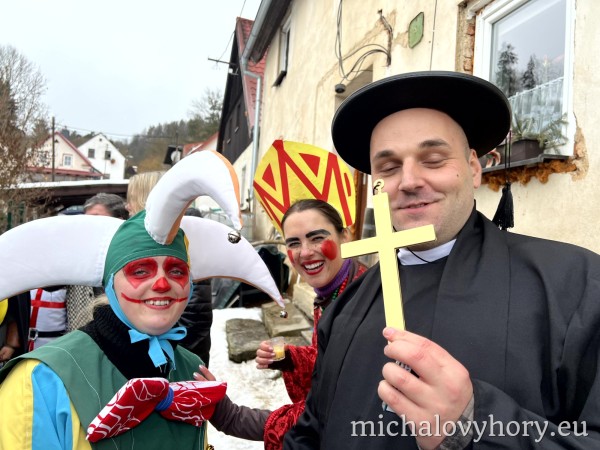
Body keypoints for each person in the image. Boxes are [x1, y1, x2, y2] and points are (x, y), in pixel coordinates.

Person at [284, 71, 600, 448]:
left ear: (473, 168)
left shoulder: (576, 287)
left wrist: (473, 424)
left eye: (433, 159)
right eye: (388, 167)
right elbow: (312, 430)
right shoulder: (347, 305)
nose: (409, 181)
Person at [0, 150, 286, 449]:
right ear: (110, 283)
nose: (162, 284)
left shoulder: (190, 369)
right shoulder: (41, 380)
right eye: (140, 270)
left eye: (176, 270)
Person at [254, 199, 367, 449]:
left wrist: (235, 418)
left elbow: (335, 403)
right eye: (294, 243)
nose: (305, 252)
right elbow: (326, 360)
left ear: (345, 237)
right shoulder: (330, 293)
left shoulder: (363, 302)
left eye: (317, 238)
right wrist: (286, 357)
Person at [126, 170, 213, 365]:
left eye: (130, 198)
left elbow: (196, 315)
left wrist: (172, 358)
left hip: (175, 359)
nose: (126, 206)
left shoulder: (184, 240)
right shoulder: (141, 242)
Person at [66, 192, 129, 332]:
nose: (90, 226)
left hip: (121, 337)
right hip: (82, 338)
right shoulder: (77, 253)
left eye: (96, 219)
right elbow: (50, 287)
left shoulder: (133, 255)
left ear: (119, 221)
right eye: (86, 221)